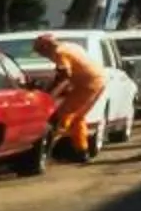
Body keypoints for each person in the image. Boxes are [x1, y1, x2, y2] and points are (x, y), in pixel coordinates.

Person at [31, 32, 107, 160]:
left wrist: (50, 93)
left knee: (62, 117)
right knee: (77, 117)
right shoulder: (69, 46)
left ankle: (48, 150)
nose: (42, 56)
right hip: (97, 80)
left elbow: (64, 75)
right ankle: (81, 151)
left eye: (40, 52)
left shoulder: (59, 53)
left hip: (88, 84)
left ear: (46, 48)